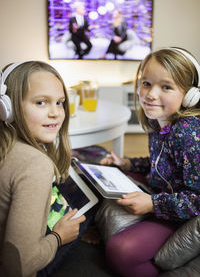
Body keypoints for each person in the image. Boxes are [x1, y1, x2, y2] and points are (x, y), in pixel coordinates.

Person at [99, 47, 200, 276]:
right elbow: (162, 162)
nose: (151, 94)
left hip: (181, 212)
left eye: (166, 87)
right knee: (104, 179)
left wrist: (154, 204)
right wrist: (127, 164)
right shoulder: (159, 121)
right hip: (163, 193)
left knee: (122, 251)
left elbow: (197, 199)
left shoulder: (189, 134)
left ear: (191, 94)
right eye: (146, 83)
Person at [0, 61, 93, 277]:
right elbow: (19, 266)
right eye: (41, 102)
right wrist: (59, 236)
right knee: (91, 206)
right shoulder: (35, 164)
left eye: (60, 102)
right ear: (8, 108)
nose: (56, 113)